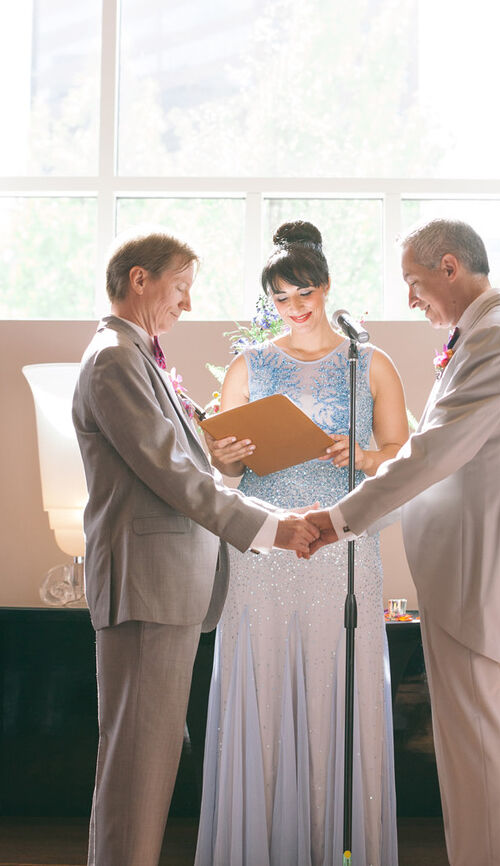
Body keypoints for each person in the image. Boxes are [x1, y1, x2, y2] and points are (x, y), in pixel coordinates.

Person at [306, 219, 500, 866]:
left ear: (450, 267)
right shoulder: (480, 336)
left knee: (475, 747)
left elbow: (434, 451)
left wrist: (340, 519)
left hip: (480, 572)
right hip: (461, 572)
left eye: (414, 283)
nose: (411, 299)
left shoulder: (498, 338)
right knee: (466, 750)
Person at [72, 228, 319, 866]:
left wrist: (246, 483)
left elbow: (191, 467)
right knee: (136, 767)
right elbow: (172, 475)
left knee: (147, 765)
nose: (186, 304)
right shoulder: (115, 359)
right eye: (180, 287)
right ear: (139, 279)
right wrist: (272, 528)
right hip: (147, 584)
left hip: (166, 589)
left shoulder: (138, 356)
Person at [194, 220, 409, 866]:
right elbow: (220, 476)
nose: (295, 308)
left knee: (335, 686)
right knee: (259, 686)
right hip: (265, 550)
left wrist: (365, 456)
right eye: (281, 299)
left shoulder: (369, 364)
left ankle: (333, 846)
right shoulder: (247, 366)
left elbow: (405, 455)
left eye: (304, 293)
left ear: (327, 286)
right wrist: (228, 458)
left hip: (342, 548)